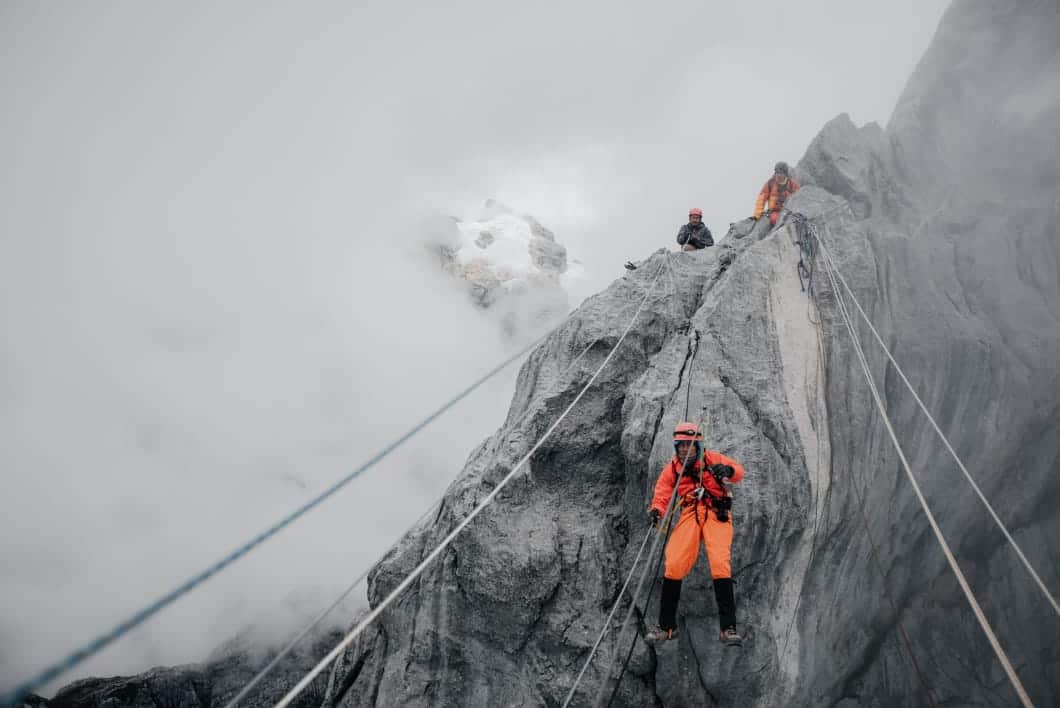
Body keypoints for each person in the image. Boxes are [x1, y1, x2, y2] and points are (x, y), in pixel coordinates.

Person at [644, 422, 745, 645]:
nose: (684, 449)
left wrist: (727, 471)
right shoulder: (672, 469)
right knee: (674, 563)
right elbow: (662, 493)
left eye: (689, 445)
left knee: (720, 563)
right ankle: (667, 627)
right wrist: (656, 510)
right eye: (680, 445)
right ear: (676, 446)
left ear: (698, 446)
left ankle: (728, 628)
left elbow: (738, 472)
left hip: (717, 512)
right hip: (691, 512)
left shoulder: (713, 459)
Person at [752, 161, 801, 226]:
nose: (778, 175)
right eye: (777, 172)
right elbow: (761, 200)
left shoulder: (793, 185)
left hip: (789, 212)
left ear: (785, 174)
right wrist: (756, 215)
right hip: (774, 212)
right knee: (775, 219)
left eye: (780, 173)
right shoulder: (770, 184)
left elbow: (799, 200)